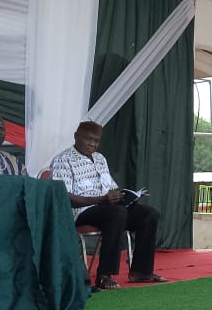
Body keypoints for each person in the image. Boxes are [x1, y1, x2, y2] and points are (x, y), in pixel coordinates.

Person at [50, 120, 166, 290]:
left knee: (149, 214)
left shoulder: (100, 159)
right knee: (117, 213)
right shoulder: (63, 160)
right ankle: (104, 275)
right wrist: (100, 200)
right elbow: (64, 197)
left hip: (109, 208)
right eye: (88, 139)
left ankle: (141, 271)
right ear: (76, 136)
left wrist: (125, 197)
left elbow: (111, 187)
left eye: (96, 140)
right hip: (81, 211)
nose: (92, 144)